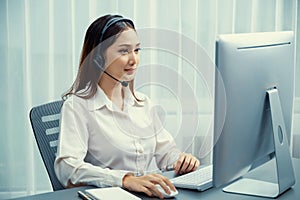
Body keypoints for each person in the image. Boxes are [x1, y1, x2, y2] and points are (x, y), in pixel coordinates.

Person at [54, 14, 199, 199]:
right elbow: (67, 168)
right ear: (98, 57)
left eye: (137, 50)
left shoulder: (144, 104)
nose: (134, 60)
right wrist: (124, 179)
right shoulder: (78, 106)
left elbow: (166, 153)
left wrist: (181, 160)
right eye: (124, 51)